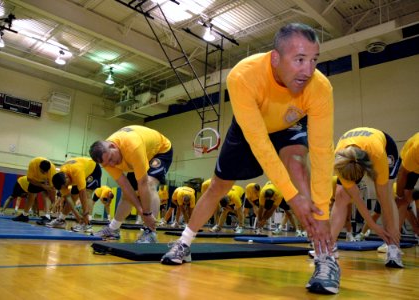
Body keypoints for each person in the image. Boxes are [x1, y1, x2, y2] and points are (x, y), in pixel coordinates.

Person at [161, 23, 338, 295]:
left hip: (289, 126)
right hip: (251, 127)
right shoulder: (243, 76)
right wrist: (292, 198)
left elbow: (323, 151)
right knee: (217, 186)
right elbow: (260, 145)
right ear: (275, 58)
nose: (308, 70)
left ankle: (326, 257)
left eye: (314, 60)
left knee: (298, 165)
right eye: (300, 59)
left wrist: (322, 211)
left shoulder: (319, 88)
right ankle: (184, 243)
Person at [331, 127, 403, 268]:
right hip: (353, 154)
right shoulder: (340, 160)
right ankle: (328, 247)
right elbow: (357, 198)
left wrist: (390, 230)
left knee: (385, 194)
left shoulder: (378, 154)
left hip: (384, 147)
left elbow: (384, 199)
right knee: (341, 195)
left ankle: (394, 248)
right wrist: (373, 225)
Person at [89, 125, 172, 243]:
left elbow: (142, 183)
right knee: (125, 195)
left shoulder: (132, 147)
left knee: (149, 183)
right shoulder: (107, 160)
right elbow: (125, 185)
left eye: (112, 159)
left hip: (160, 151)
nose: (112, 164)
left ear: (112, 146)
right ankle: (113, 229)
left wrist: (147, 214)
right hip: (139, 155)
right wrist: (140, 209)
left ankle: (150, 232)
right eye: (107, 163)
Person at [49, 157, 101, 232]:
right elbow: (69, 200)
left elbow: (82, 195)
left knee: (87, 194)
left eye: (67, 185)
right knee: (73, 197)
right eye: (65, 187)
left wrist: (85, 215)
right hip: (78, 171)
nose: (67, 187)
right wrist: (78, 216)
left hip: (93, 170)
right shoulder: (61, 178)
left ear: (67, 177)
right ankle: (61, 220)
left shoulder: (77, 172)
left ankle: (87, 224)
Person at [12, 157, 56, 223]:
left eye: (46, 172)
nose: (44, 173)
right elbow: (29, 179)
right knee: (30, 197)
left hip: (45, 181)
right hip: (34, 180)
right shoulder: (33, 164)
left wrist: (53, 202)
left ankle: (47, 216)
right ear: (39, 167)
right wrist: (41, 185)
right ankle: (25, 215)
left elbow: (52, 188)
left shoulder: (52, 170)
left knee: (46, 195)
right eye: (43, 171)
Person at [395, 132, 419, 235]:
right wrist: (400, 197)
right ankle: (393, 241)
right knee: (403, 200)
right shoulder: (416, 149)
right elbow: (402, 172)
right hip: (409, 166)